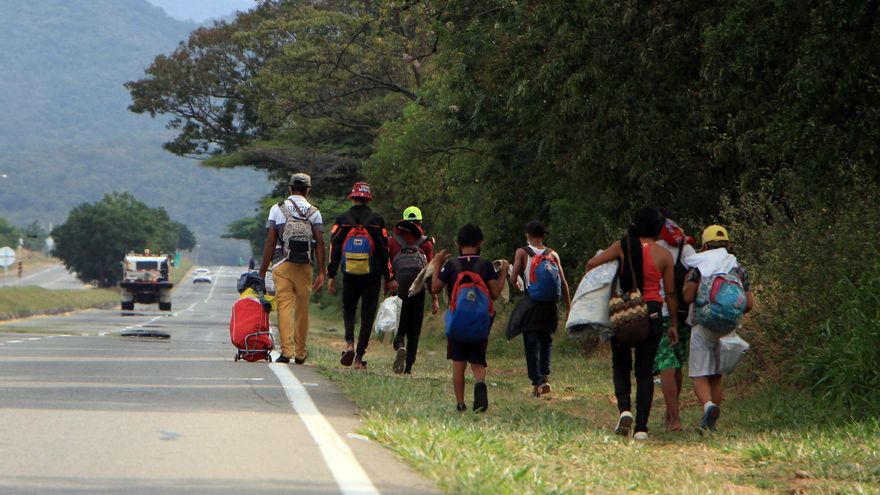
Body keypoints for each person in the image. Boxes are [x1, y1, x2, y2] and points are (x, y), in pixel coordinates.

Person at [585, 207, 679, 441]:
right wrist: (674, 325)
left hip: (625, 312)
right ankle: (642, 428)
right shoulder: (665, 256)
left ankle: (624, 409)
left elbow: (591, 264)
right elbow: (670, 293)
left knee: (621, 364)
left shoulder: (622, 246)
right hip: (652, 314)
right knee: (645, 371)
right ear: (658, 229)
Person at [682, 225, 754, 433]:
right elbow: (748, 304)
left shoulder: (699, 266)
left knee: (698, 374)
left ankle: (708, 406)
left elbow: (688, 297)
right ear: (728, 244)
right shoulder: (738, 268)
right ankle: (712, 423)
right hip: (727, 326)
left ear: (704, 245)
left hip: (702, 324)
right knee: (716, 375)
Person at [431, 224, 508, 413]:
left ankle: (460, 403)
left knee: (458, 363)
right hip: (480, 322)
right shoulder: (485, 265)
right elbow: (496, 293)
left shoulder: (452, 265)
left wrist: (437, 263)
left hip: (457, 321)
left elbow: (434, 288)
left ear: (457, 243)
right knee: (477, 360)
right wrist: (504, 271)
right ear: (481, 242)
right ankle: (480, 382)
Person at [327, 181, 396, 370]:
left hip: (349, 274)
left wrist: (331, 274)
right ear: (368, 198)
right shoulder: (377, 220)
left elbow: (334, 247)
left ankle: (349, 343)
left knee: (349, 308)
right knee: (367, 315)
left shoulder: (343, 219)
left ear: (353, 197)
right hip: (371, 276)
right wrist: (389, 277)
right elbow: (384, 250)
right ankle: (359, 357)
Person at [258, 173, 326, 364]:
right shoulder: (314, 212)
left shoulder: (277, 209)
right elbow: (320, 243)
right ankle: (301, 353)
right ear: (308, 190)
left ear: (290, 188)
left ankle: (287, 352)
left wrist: (262, 271)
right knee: (302, 309)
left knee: (285, 307)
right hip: (304, 266)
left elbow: (271, 242)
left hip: (281, 264)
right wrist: (322, 271)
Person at [508, 220, 572, 397]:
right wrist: (568, 307)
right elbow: (564, 282)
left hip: (532, 303)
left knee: (531, 342)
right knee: (546, 340)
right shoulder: (553, 254)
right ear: (543, 236)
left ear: (527, 235)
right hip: (550, 306)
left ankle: (537, 383)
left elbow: (514, 278)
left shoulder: (522, 252)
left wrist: (517, 284)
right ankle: (544, 377)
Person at [653, 219, 697, 431]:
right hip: (684, 313)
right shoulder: (687, 249)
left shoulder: (655, 249)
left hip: (661, 312)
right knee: (677, 363)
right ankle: (671, 414)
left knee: (665, 362)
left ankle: (675, 417)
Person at [388, 206, 439, 375]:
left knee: (400, 327)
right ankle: (408, 367)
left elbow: (388, 266)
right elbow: (431, 271)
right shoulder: (426, 243)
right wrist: (434, 297)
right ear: (419, 223)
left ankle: (399, 345)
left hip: (399, 290)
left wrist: (388, 287)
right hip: (418, 290)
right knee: (414, 330)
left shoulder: (393, 241)